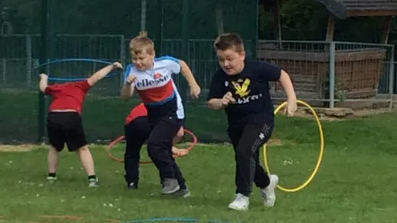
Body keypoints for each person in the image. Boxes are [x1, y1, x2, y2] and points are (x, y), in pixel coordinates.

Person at [207, 32, 298, 211]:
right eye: (221, 60)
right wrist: (221, 102)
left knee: (244, 151)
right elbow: (211, 102)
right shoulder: (220, 77)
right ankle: (267, 183)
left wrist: (291, 99)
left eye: (230, 59)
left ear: (242, 55)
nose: (226, 64)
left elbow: (282, 74)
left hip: (261, 120)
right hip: (236, 125)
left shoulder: (257, 69)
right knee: (247, 158)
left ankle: (242, 196)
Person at [121, 36, 201, 195]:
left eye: (142, 58)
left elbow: (182, 65)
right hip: (154, 114)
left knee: (154, 145)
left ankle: (169, 180)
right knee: (163, 149)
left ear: (152, 55)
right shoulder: (132, 71)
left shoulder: (164, 64)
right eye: (134, 58)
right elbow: (125, 96)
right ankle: (182, 187)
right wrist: (129, 84)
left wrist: (193, 85)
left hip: (173, 111)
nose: (138, 62)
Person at [39, 62, 123, 186]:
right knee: (82, 148)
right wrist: (112, 66)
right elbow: (97, 77)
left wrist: (43, 77)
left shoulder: (57, 88)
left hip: (54, 116)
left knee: (54, 147)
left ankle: (51, 176)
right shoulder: (80, 86)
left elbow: (43, 88)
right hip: (70, 115)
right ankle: (92, 179)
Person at [123, 98, 190, 196]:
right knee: (163, 153)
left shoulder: (148, 104)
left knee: (131, 153)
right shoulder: (170, 109)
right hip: (150, 121)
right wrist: (171, 147)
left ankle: (132, 182)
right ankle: (178, 184)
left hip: (132, 123)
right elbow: (179, 133)